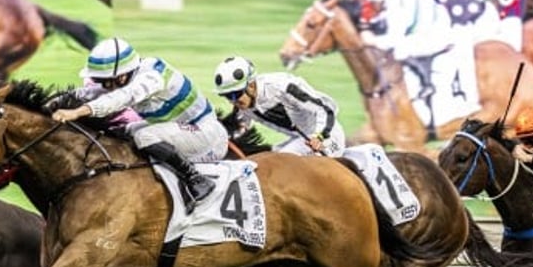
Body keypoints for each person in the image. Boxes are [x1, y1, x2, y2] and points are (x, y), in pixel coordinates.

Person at [50, 37, 229, 214]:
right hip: (178, 126)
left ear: (121, 76)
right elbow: (91, 92)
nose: (103, 85)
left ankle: (196, 179)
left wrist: (77, 112)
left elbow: (121, 97)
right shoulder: (130, 75)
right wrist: (53, 102)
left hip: (207, 135)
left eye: (105, 81)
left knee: (144, 136)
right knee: (120, 132)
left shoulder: (151, 77)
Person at [356, 0, 480, 124]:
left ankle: (423, 91)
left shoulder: (397, 6)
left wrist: (372, 40)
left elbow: (393, 40)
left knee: (400, 51)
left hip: (437, 36)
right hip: (432, 27)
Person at [212, 55, 345, 157]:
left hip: (328, 138)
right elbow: (238, 130)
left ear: (251, 86)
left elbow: (326, 109)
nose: (232, 101)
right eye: (227, 96)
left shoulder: (284, 87)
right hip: (299, 140)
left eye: (235, 94)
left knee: (283, 165)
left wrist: (319, 136)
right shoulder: (243, 105)